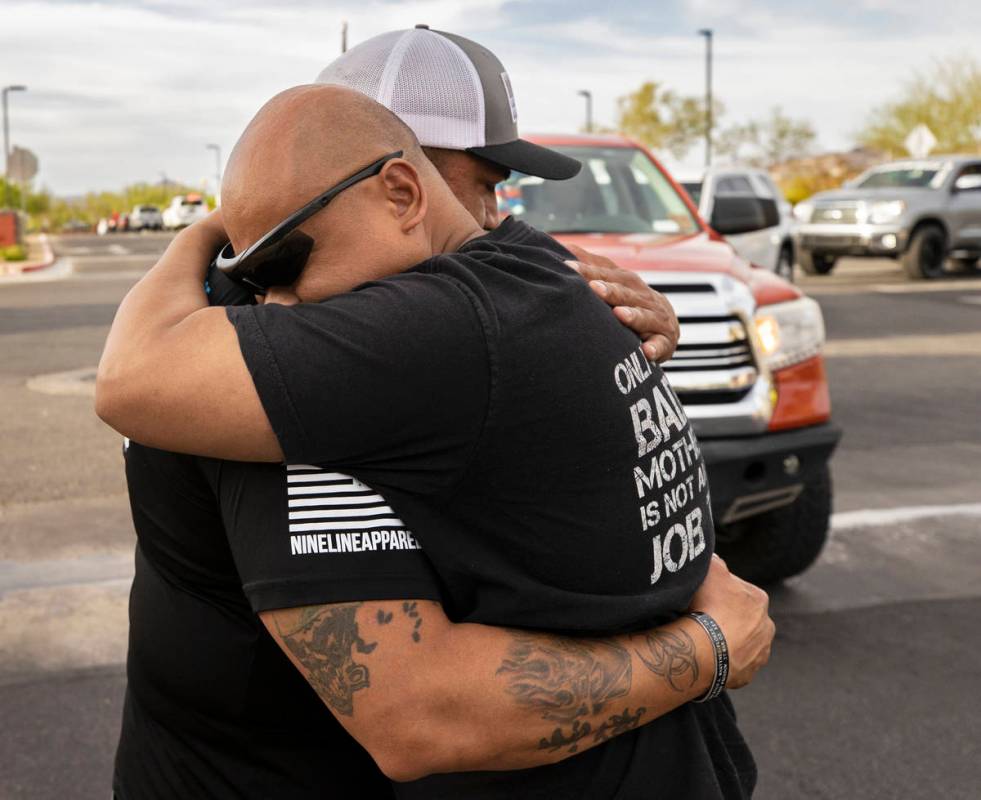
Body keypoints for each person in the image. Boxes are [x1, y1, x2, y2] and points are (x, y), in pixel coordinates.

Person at [98, 84, 773, 799]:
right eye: (252, 269)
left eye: (286, 259)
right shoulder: (542, 281)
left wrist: (202, 240)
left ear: (401, 191)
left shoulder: (428, 330)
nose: (274, 303)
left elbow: (127, 380)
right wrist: (707, 649)